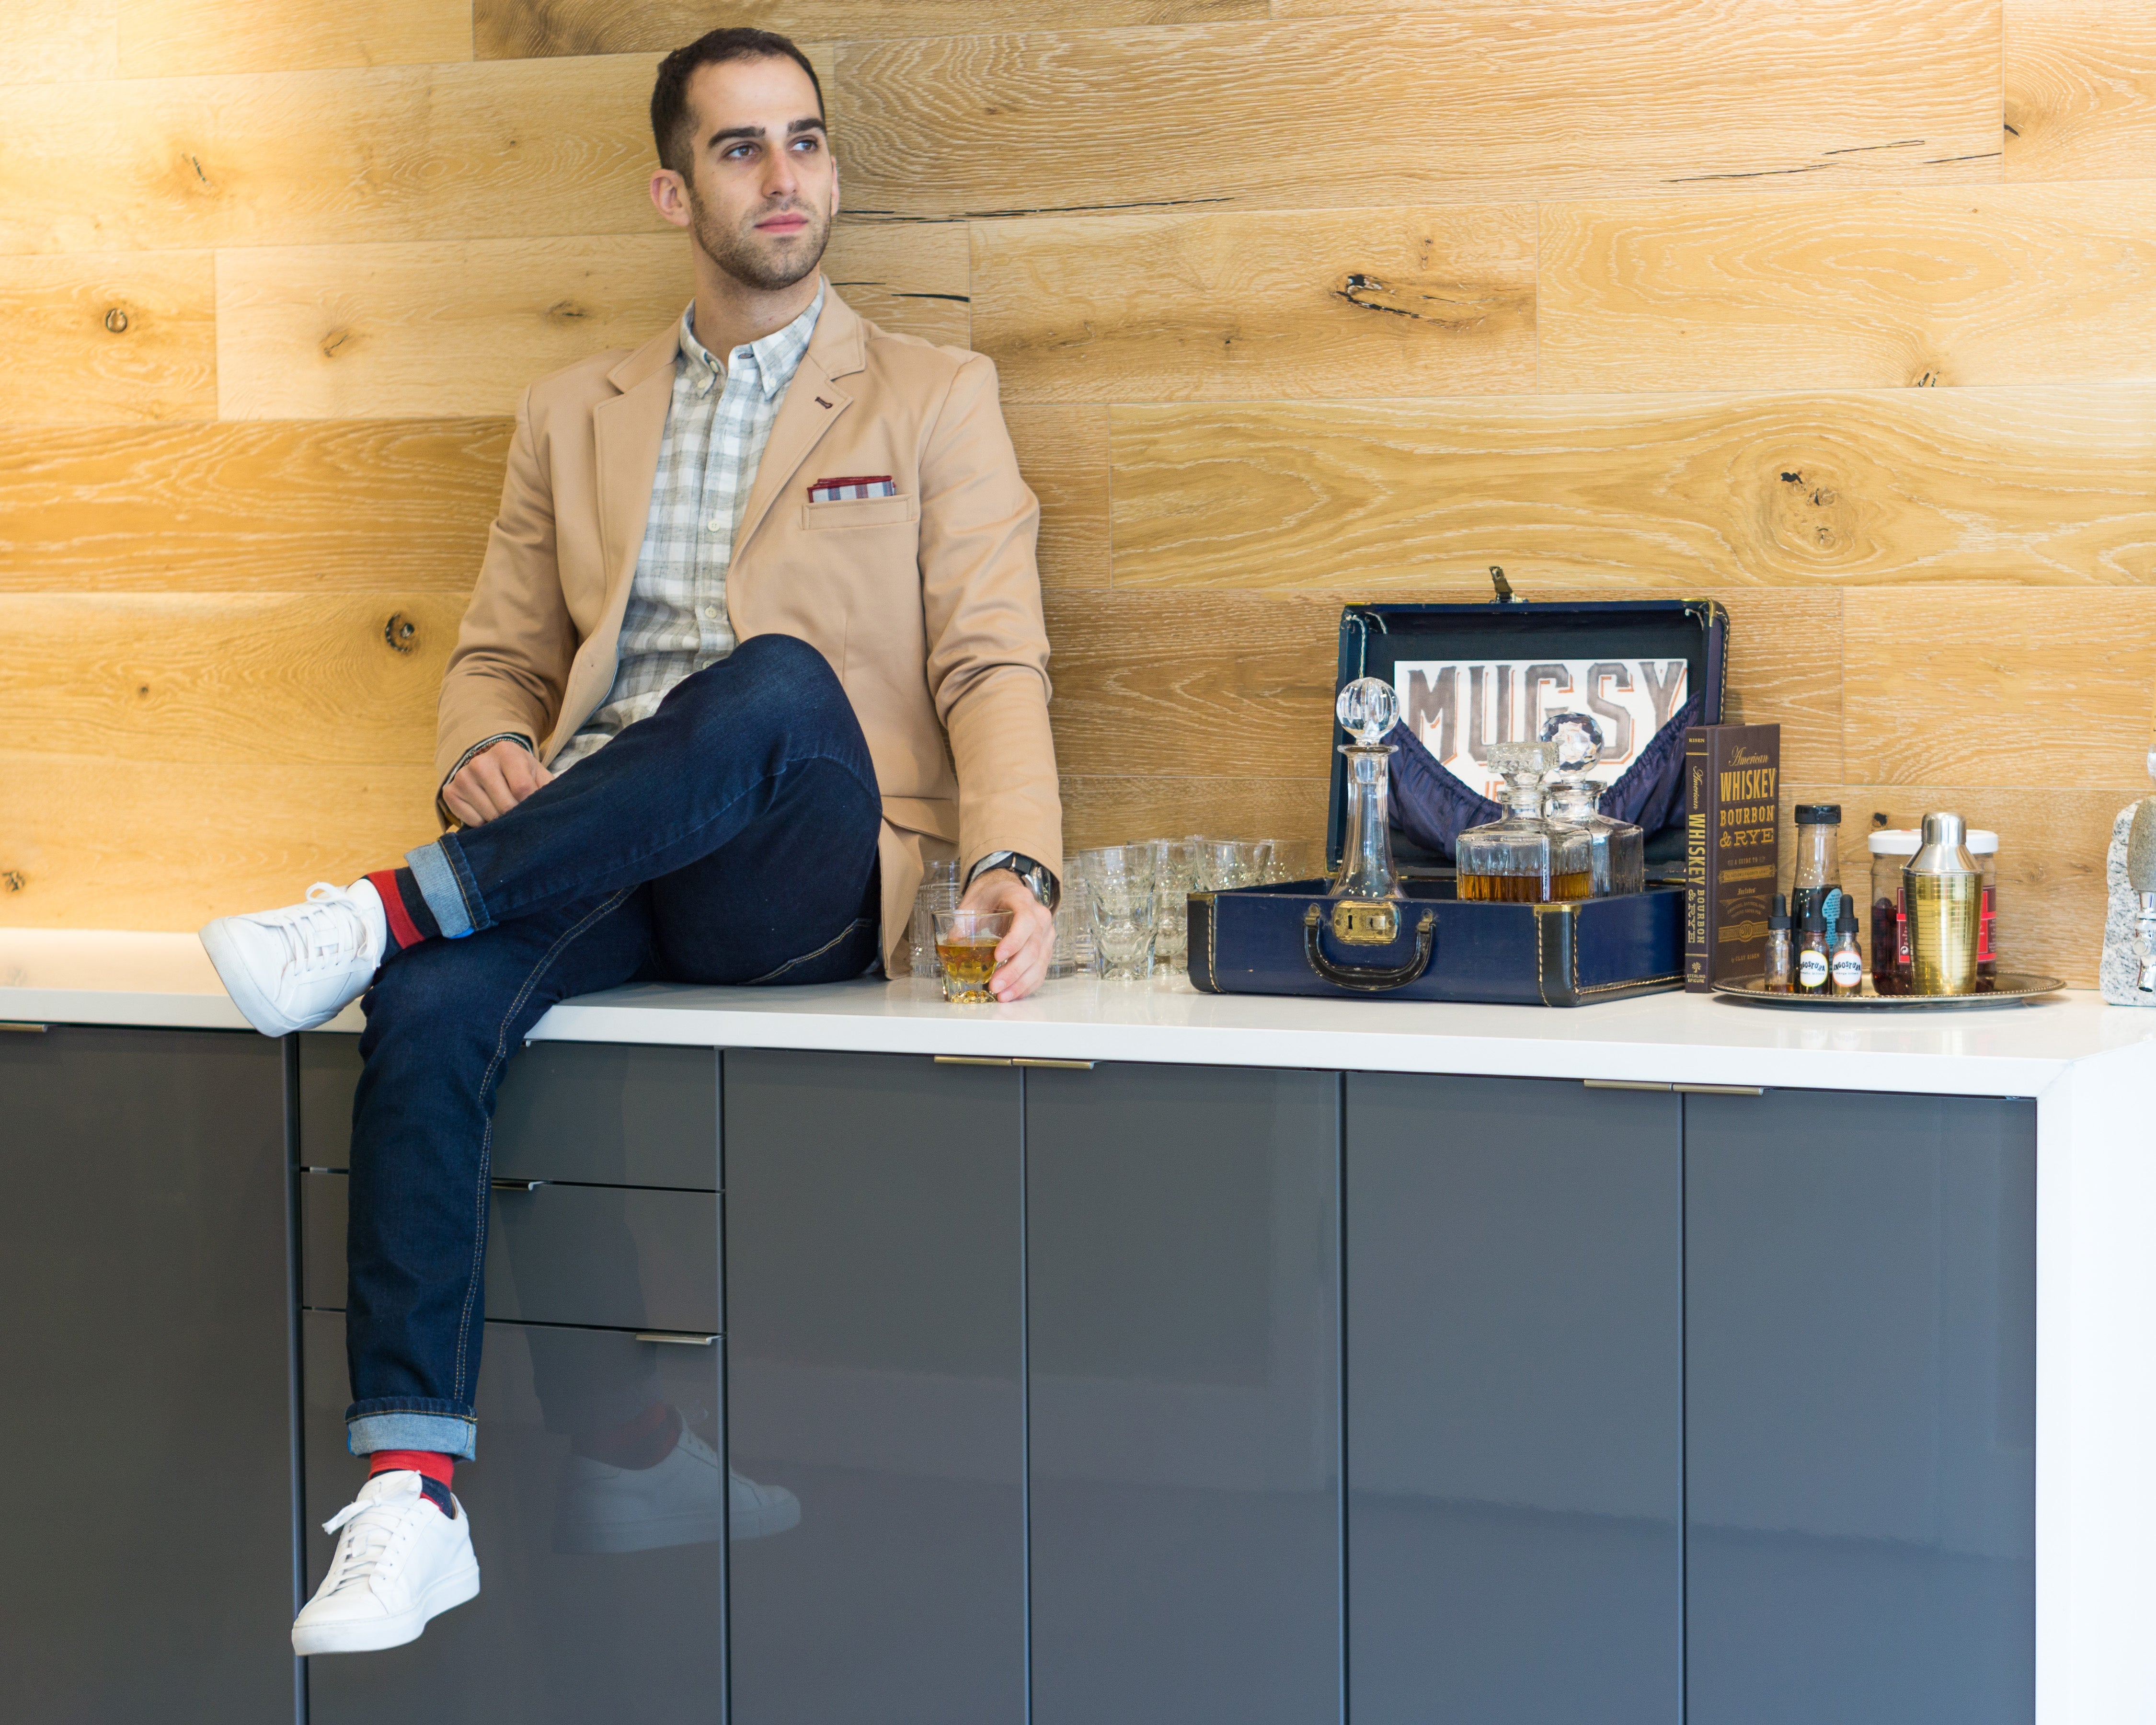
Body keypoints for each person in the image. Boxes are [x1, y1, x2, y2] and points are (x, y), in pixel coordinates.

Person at [198, 27, 1062, 1657]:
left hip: (795, 853)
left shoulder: (937, 395)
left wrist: (1019, 864)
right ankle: (413, 1492)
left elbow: (989, 659)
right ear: (676, 188)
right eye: (741, 148)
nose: (785, 175)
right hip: (584, 843)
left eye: (805, 140)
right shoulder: (572, 411)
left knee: (776, 685)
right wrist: (486, 747)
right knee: (436, 1011)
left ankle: (386, 907)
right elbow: (496, 655)